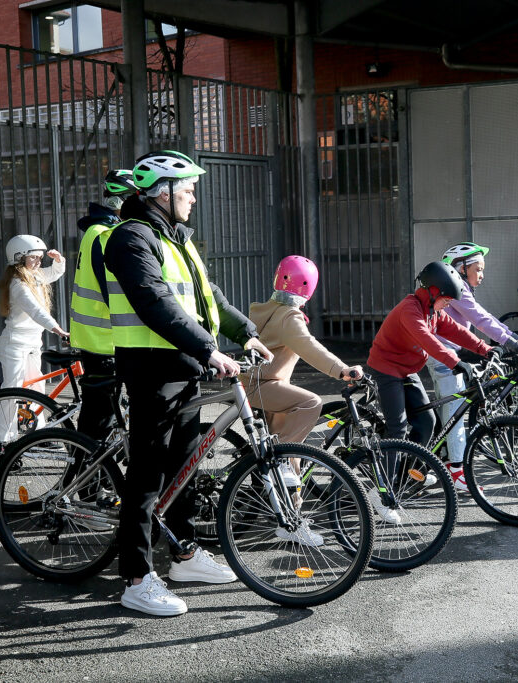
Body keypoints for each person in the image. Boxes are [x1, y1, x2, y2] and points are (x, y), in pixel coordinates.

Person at [103, 150, 272, 617]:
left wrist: (245, 333)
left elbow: (206, 295)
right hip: (152, 369)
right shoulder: (131, 237)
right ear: (163, 192)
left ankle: (184, 554)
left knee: (186, 465)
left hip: (185, 367)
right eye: (188, 189)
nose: (194, 197)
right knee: (147, 475)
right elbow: (155, 302)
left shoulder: (174, 236)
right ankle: (136, 578)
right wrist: (209, 349)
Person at [246, 255, 363, 494]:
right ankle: (280, 461)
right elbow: (309, 347)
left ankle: (292, 513)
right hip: (265, 387)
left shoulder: (267, 309)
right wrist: (341, 370)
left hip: (260, 385)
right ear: (309, 286)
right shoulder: (289, 316)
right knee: (310, 404)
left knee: (289, 452)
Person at [426, 243, 518, 491]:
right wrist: (511, 341)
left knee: (453, 411)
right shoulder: (457, 289)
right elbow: (480, 320)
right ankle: (456, 472)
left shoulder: (460, 287)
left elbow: (484, 317)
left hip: (452, 352)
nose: (482, 275)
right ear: (461, 269)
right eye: (478, 269)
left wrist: (512, 338)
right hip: (445, 356)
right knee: (456, 414)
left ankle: (442, 459)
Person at [367, 261, 493, 460]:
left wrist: (485, 349)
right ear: (433, 291)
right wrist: (455, 362)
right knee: (397, 429)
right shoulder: (410, 309)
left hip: (408, 370)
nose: (448, 304)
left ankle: (408, 475)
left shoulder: (433, 311)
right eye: (447, 299)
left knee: (427, 421)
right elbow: (427, 340)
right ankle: (388, 485)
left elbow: (456, 331)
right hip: (387, 369)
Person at [69, 169, 138, 443]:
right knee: (99, 418)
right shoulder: (105, 234)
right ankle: (90, 480)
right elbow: (116, 292)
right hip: (105, 341)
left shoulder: (98, 231)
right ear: (120, 202)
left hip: (98, 338)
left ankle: (93, 475)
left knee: (100, 414)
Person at [0, 235, 67, 445]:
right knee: (11, 390)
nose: (38, 262)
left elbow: (55, 272)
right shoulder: (18, 283)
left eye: (40, 257)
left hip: (33, 343)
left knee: (37, 388)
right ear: (18, 258)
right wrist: (57, 328)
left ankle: (38, 433)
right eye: (33, 258)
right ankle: (2, 440)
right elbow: (35, 310)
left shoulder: (35, 276)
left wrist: (58, 260)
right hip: (15, 343)